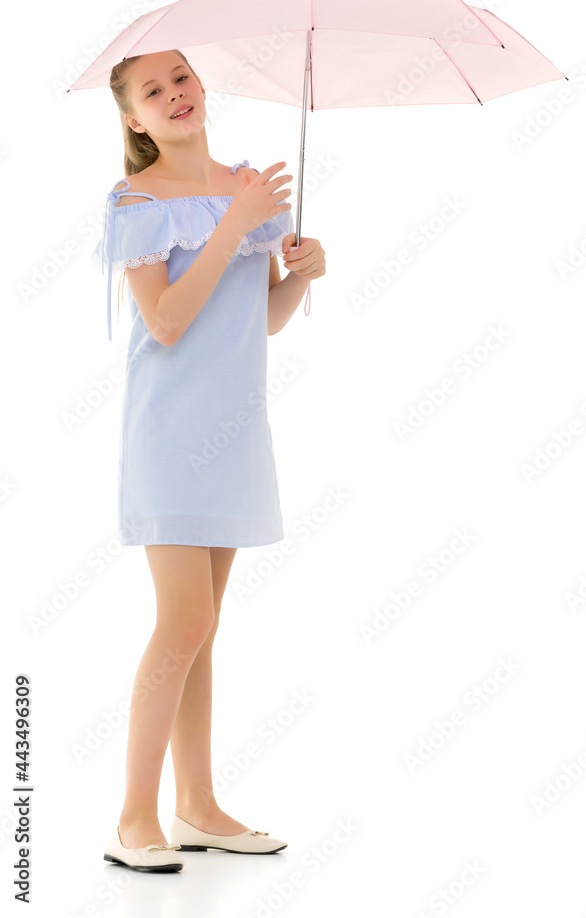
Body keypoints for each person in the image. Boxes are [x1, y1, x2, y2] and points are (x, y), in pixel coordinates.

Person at [96, 48, 326, 874]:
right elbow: (163, 322)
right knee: (183, 621)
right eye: (153, 92)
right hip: (166, 434)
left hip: (234, 431)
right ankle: (132, 815)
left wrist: (301, 273)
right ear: (134, 119)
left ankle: (196, 804)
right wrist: (236, 221)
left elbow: (259, 319)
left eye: (182, 79)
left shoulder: (247, 188)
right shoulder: (137, 201)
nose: (175, 96)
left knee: (203, 629)